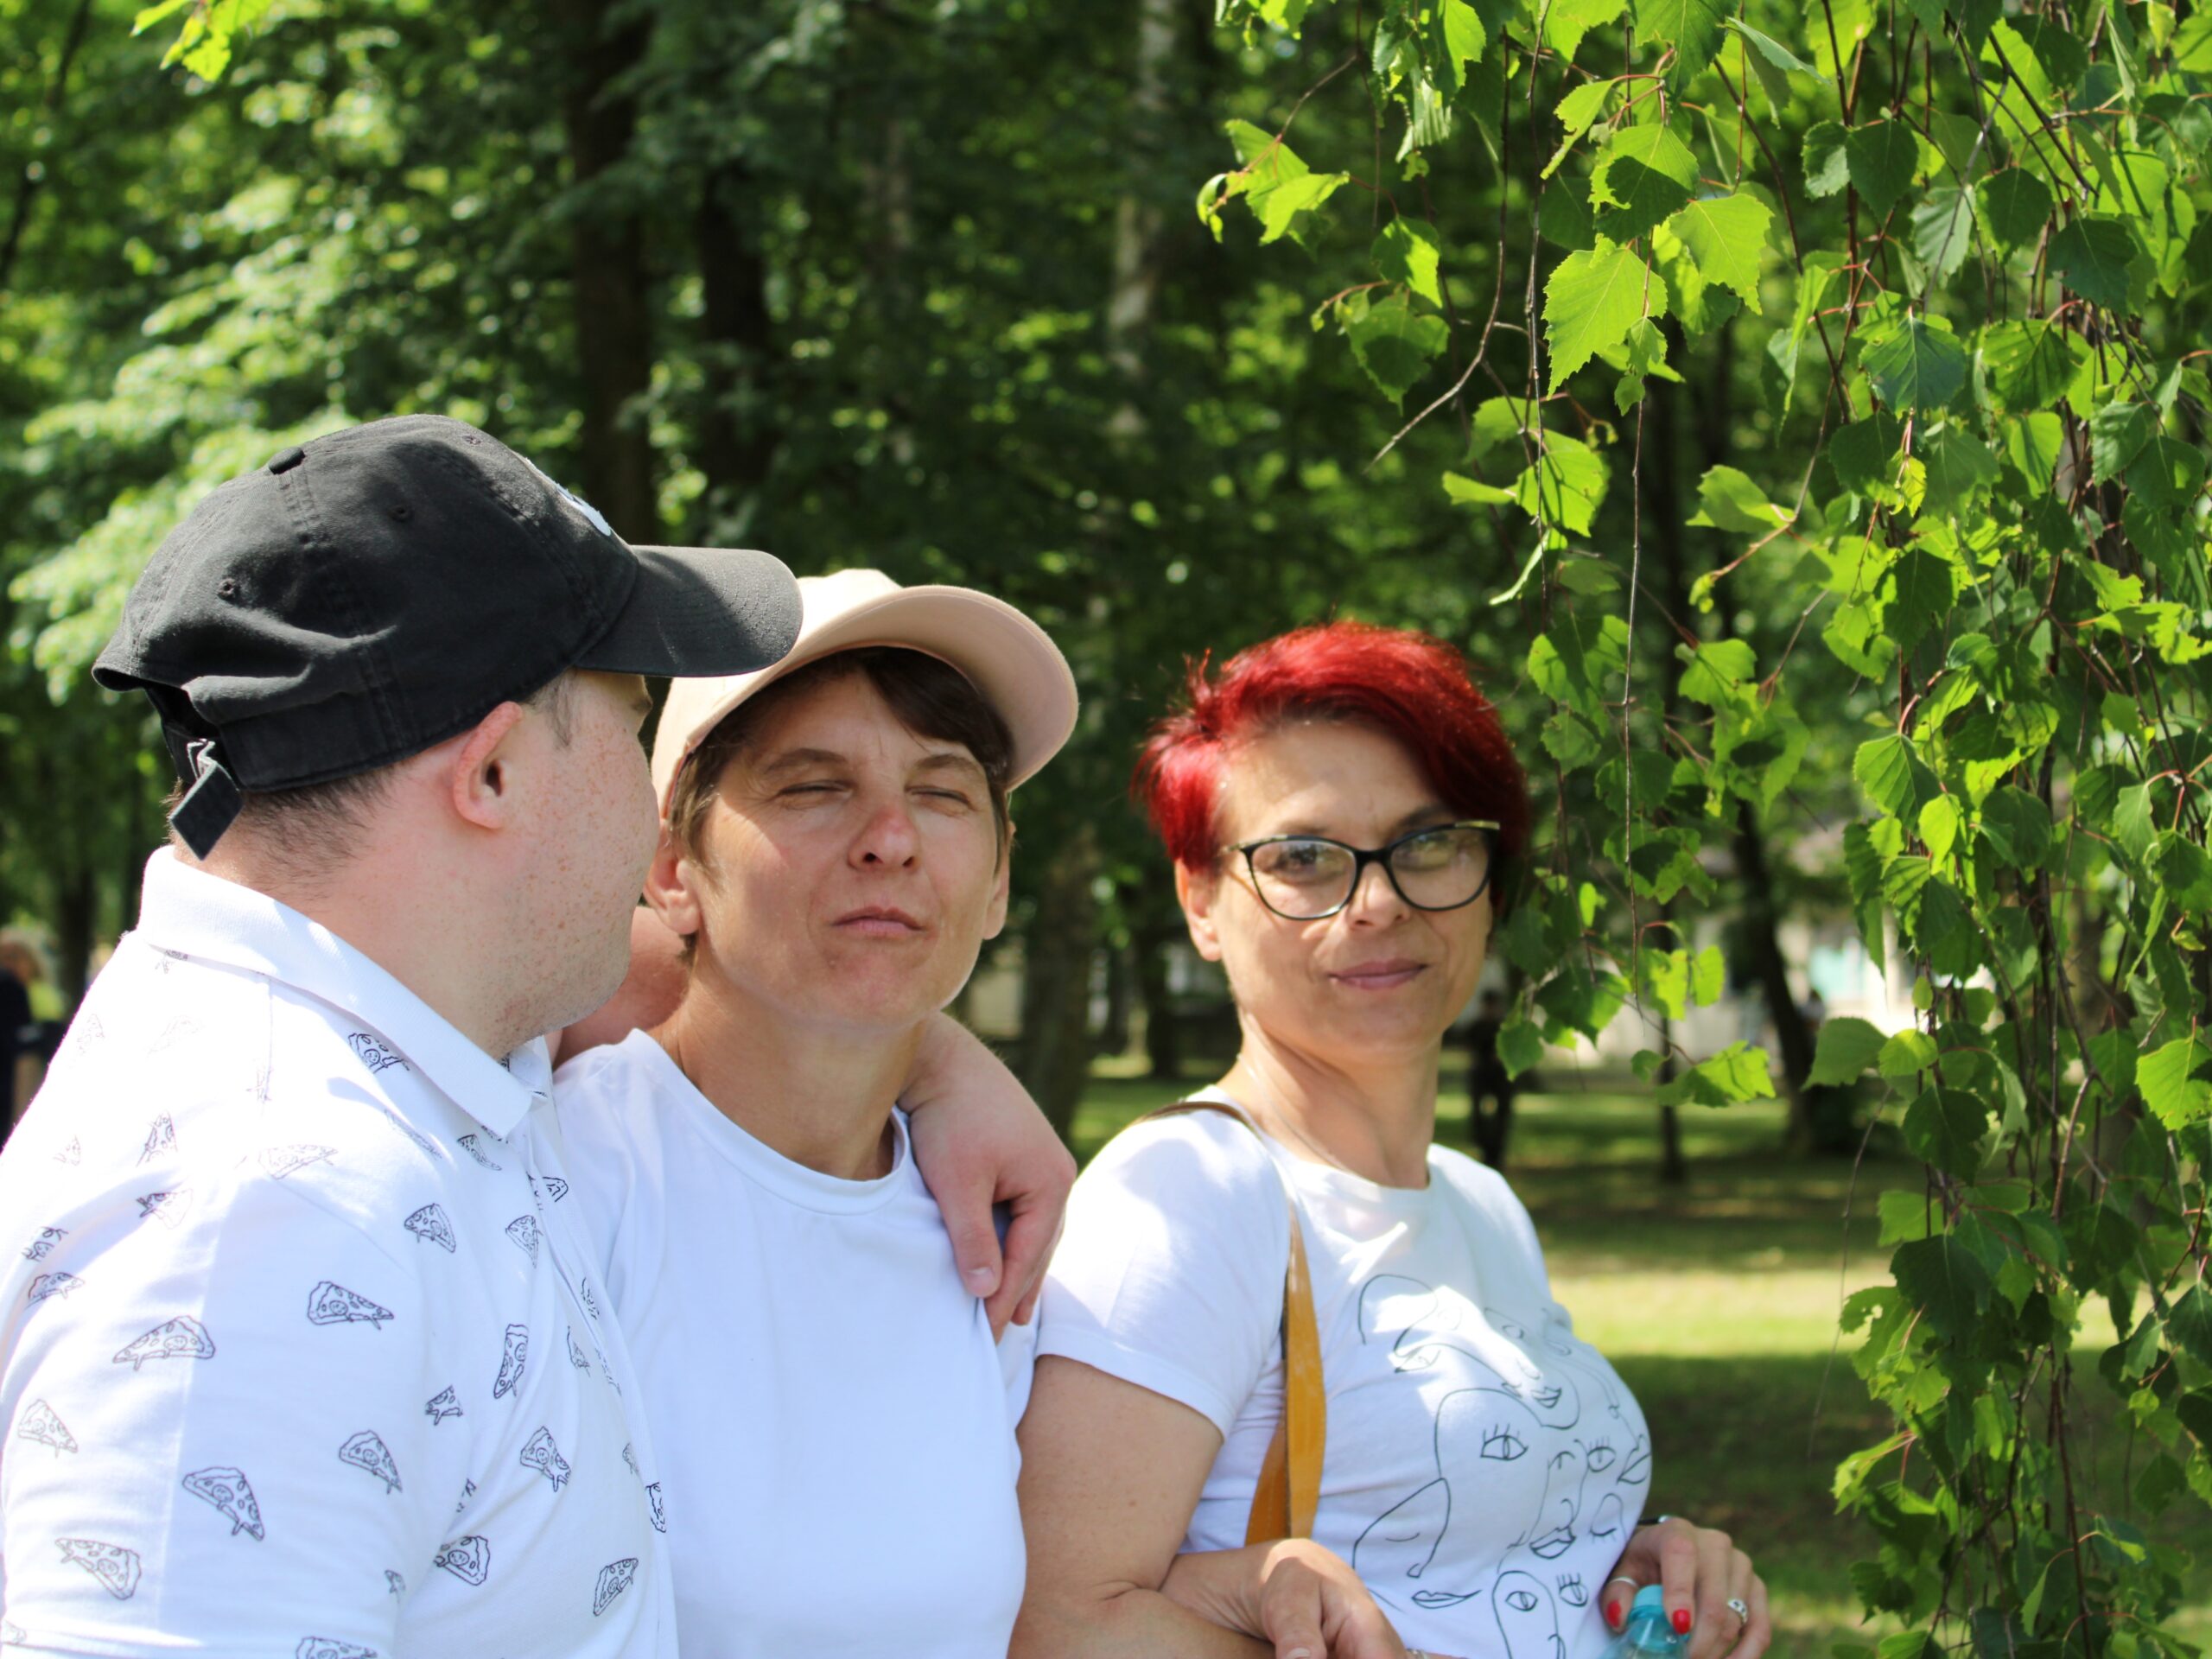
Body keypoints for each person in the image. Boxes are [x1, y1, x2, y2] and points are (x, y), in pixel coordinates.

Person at [0, 417, 1074, 1659]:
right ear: (496, 773)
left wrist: (933, 1061)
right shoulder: (269, 1218)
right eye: (626, 725)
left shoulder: (419, 1076)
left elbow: (754, 994)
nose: (641, 812)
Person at [1016, 621, 1771, 1659]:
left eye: (1427, 843)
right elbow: (1055, 1620)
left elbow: (1451, 1557)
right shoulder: (1192, 1192)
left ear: (1488, 879)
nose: (1376, 902)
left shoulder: (1478, 1203)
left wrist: (1619, 1563)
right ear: (1201, 903)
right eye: (1302, 858)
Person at [543, 569, 1070, 1657]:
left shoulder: (994, 1237)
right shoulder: (562, 1181)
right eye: (813, 787)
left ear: (1000, 882)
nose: (891, 839)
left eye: (943, 793)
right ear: (671, 868)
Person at [1464, 986, 1516, 1170]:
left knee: (1502, 1115)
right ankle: (1484, 1149)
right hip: (1482, 1074)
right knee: (1478, 1115)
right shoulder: (1477, 1027)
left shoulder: (1504, 1027)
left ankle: (1496, 1153)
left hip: (1500, 1077)